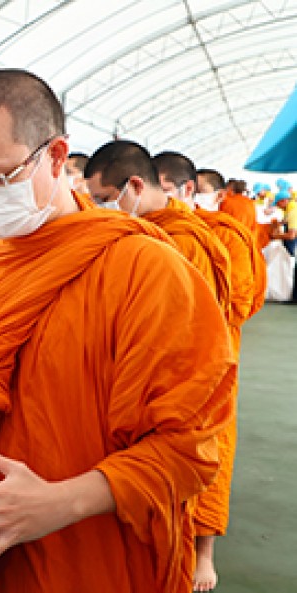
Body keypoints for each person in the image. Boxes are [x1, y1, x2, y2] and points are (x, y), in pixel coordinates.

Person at [0, 69, 234, 593]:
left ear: (55, 156)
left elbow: (191, 446)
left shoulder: (146, 269)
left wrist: (60, 502)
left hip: (86, 548)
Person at [170, 161, 267, 592]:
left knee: (212, 452)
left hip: (213, 359)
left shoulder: (227, 232)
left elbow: (243, 301)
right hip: (163, 361)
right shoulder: (149, 229)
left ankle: (203, 552)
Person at [84, 142, 231, 307]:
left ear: (136, 185)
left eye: (104, 199)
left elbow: (191, 313)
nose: (101, 208)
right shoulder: (136, 226)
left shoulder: (182, 240)